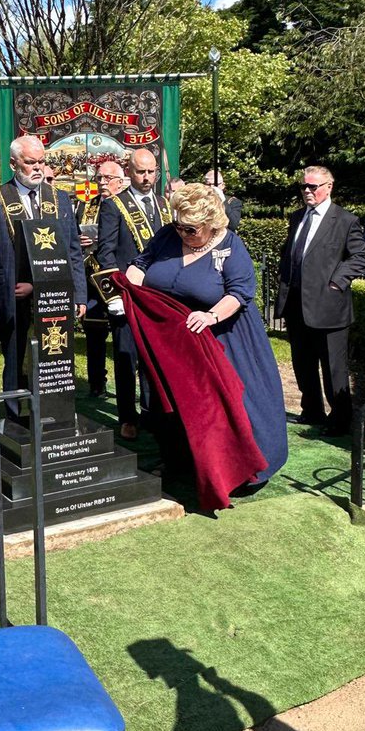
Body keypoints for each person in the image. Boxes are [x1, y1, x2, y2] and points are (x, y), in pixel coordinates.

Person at [121, 183, 287, 509]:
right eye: (179, 224)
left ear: (211, 223)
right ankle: (181, 460)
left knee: (230, 405)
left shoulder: (230, 246)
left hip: (225, 338)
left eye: (191, 229)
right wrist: (130, 286)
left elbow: (239, 294)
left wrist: (210, 316)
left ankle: (241, 470)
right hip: (177, 341)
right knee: (174, 403)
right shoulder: (169, 235)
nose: (183, 232)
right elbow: (140, 265)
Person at [0, 135, 86, 421]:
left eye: (41, 162)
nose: (37, 168)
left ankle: (55, 415)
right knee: (15, 358)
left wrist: (80, 295)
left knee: (55, 358)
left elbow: (74, 250)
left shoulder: (59, 199)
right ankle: (14, 418)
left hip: (55, 297)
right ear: (14, 163)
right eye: (30, 163)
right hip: (12, 297)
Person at [275, 165, 365, 436]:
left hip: (329, 307)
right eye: (303, 186)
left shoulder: (345, 220)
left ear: (328, 187)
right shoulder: (297, 218)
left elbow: (360, 256)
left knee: (333, 369)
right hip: (296, 305)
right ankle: (312, 411)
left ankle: (340, 420)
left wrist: (336, 282)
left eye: (312, 187)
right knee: (303, 364)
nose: (307, 191)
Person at [96, 147, 171, 440]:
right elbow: (106, 254)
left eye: (152, 171)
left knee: (156, 357)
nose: (147, 177)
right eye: (141, 171)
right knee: (127, 356)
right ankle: (127, 416)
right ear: (128, 172)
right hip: (126, 295)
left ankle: (153, 411)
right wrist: (113, 296)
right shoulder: (114, 205)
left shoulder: (165, 205)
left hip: (160, 295)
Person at [78, 160, 126, 397]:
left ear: (120, 180)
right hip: (93, 279)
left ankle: (128, 384)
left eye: (108, 178)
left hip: (120, 278)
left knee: (124, 334)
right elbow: (71, 239)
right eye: (99, 178)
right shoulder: (85, 206)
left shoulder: (128, 205)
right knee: (94, 333)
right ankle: (97, 383)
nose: (103, 183)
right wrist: (79, 241)